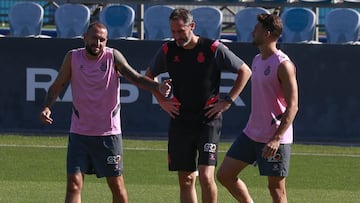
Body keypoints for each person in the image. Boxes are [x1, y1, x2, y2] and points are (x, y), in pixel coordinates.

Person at [39, 22, 168, 203]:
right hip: (79, 133)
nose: (98, 43)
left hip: (108, 134)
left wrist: (157, 87)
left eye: (102, 40)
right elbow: (57, 85)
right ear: (85, 37)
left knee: (116, 185)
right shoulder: (73, 58)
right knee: (74, 184)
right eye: (94, 38)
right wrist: (47, 107)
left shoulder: (113, 57)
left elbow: (135, 77)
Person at [145, 8, 252, 203]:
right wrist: (162, 99)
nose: (176, 36)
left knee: (205, 175)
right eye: (173, 31)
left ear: (192, 26)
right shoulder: (168, 50)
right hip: (180, 120)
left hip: (208, 120)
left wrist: (227, 101)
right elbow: (147, 77)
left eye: (180, 31)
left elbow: (245, 71)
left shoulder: (212, 48)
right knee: (186, 179)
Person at [216, 13, 299, 203]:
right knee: (225, 175)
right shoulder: (257, 59)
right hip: (251, 133)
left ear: (267, 34)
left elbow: (293, 106)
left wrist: (276, 138)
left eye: (257, 29)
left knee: (276, 189)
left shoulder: (283, 65)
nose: (253, 31)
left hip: (274, 137)